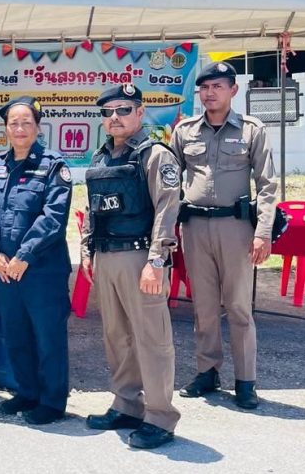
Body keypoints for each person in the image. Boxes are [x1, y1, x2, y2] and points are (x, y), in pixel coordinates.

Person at [80, 83, 181, 449]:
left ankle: (160, 416)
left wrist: (156, 260)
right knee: (117, 337)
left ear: (140, 112)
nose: (115, 118)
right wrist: (87, 249)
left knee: (152, 339)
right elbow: (93, 208)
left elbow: (167, 210)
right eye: (108, 113)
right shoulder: (101, 157)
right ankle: (126, 405)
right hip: (107, 257)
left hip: (141, 259)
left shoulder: (154, 155)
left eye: (123, 110)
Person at [172, 62, 277, 410]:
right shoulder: (185, 131)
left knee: (238, 307)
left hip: (236, 229)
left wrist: (263, 232)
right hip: (195, 228)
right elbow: (170, 181)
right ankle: (207, 372)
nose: (210, 93)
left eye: (218, 86)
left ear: (233, 90)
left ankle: (246, 381)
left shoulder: (251, 130)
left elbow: (267, 185)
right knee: (203, 307)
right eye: (204, 87)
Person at [0, 95, 72, 425]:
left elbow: (53, 217)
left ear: (37, 127)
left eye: (26, 123)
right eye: (13, 123)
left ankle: (51, 402)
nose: (19, 128)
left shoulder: (53, 166)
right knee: (16, 333)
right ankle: (27, 391)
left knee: (47, 336)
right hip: (4, 270)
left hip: (41, 270)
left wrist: (24, 256)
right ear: (5, 128)